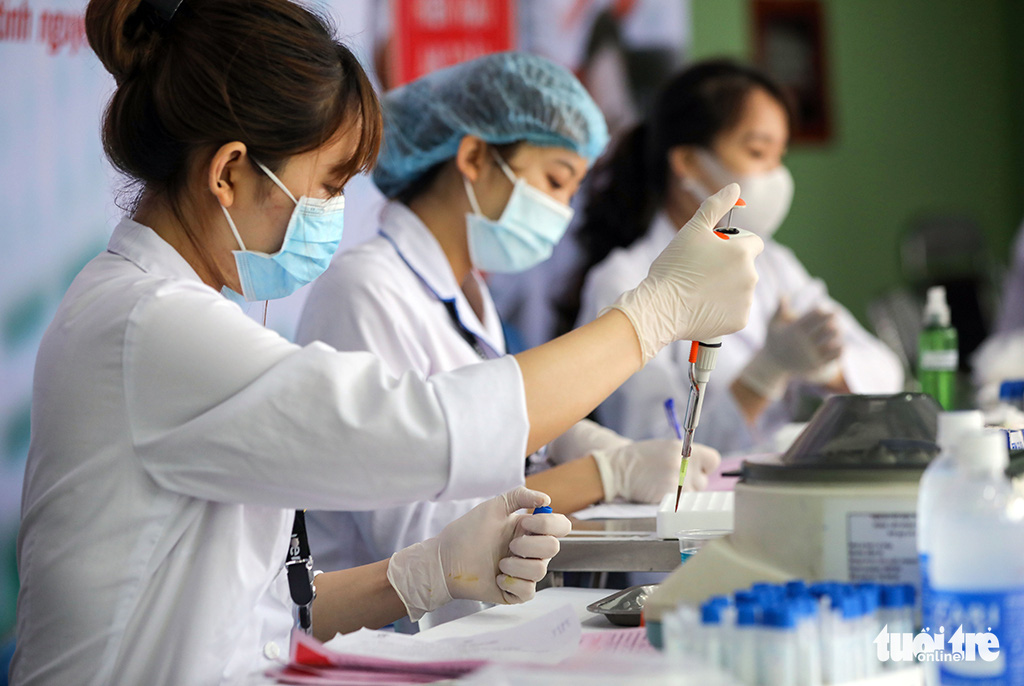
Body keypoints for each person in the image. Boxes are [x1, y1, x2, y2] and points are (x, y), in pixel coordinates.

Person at [12, 1, 762, 682]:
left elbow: (259, 610)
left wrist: (422, 575)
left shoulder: (173, 314)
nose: (337, 212)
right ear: (230, 172)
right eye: (329, 185)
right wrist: (655, 314)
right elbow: (428, 427)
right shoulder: (149, 327)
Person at [295, 52, 722, 628]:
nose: (562, 210)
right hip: (380, 639)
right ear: (473, 155)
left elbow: (483, 440)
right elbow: (426, 534)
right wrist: (602, 474)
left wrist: (562, 443)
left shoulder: (467, 294)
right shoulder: (364, 290)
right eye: (553, 180)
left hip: (462, 625)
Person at [574, 59, 903, 452]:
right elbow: (657, 444)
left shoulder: (773, 263)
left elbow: (886, 371)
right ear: (688, 163)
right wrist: (764, 375)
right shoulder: (622, 280)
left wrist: (829, 367)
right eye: (758, 151)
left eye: (780, 155)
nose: (777, 176)